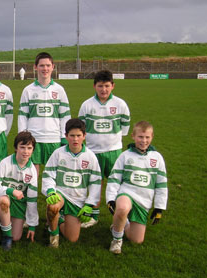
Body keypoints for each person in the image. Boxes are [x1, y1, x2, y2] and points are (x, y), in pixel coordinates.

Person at [78, 70, 131, 228]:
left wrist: (114, 141)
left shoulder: (120, 104)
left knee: (118, 185)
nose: (104, 90)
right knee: (96, 184)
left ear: (113, 86)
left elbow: (125, 126)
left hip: (114, 151)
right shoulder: (87, 105)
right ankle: (94, 216)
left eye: (107, 86)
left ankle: (121, 217)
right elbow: (81, 128)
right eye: (100, 86)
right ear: (94, 86)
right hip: (94, 152)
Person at [106, 121, 168, 254]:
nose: (143, 141)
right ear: (133, 136)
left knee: (136, 240)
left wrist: (159, 207)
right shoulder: (125, 155)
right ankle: (116, 241)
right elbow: (114, 178)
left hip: (144, 200)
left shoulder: (157, 158)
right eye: (140, 137)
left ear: (152, 137)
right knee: (122, 208)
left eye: (147, 137)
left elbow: (161, 184)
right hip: (127, 193)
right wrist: (111, 198)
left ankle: (120, 224)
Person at [41, 119, 102, 247]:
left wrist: (89, 204)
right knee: (53, 207)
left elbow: (95, 183)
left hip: (77, 199)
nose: (75, 139)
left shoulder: (90, 157)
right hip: (61, 194)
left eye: (79, 136)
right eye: (72, 136)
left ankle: (59, 218)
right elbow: (48, 175)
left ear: (84, 136)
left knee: (72, 238)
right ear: (66, 136)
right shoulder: (58, 153)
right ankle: (54, 235)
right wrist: (50, 191)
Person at [18, 52, 71, 175]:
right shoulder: (28, 90)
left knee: (53, 172)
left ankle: (52, 194)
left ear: (53, 66)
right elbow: (22, 115)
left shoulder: (59, 90)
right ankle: (32, 194)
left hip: (53, 137)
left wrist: (64, 136)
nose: (45, 69)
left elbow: (64, 115)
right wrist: (23, 135)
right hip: (34, 137)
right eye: (42, 65)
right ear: (35, 67)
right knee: (32, 172)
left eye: (48, 65)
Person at [0, 131, 38, 251]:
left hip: (19, 203)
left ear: (33, 150)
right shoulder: (5, 163)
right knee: (4, 202)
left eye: (29, 148)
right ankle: (7, 237)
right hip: (5, 197)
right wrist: (11, 191)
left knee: (17, 237)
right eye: (22, 147)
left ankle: (4, 221)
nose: (25, 151)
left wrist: (32, 225)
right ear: (16, 148)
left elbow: (32, 199)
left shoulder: (32, 171)